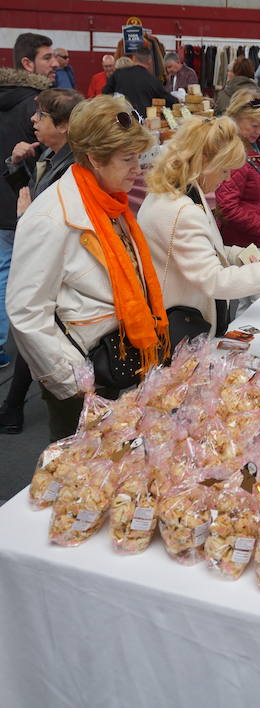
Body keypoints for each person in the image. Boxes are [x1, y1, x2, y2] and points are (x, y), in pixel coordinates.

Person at [6, 95, 168, 441]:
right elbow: (26, 311)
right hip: (84, 377)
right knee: (79, 477)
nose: (138, 169)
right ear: (94, 158)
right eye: (128, 160)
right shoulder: (51, 217)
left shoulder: (111, 203)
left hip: (118, 364)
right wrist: (74, 383)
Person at [137, 116, 260, 337]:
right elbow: (214, 281)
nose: (227, 177)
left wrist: (237, 254)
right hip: (178, 321)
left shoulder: (179, 192)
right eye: (223, 170)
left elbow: (201, 248)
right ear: (203, 162)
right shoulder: (182, 211)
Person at [0, 88, 84, 434]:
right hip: (50, 258)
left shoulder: (73, 166)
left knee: (41, 329)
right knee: (36, 328)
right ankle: (14, 405)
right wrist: (17, 165)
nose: (33, 121)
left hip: (60, 262)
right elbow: (30, 193)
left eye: (41, 117)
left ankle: (22, 406)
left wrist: (28, 217)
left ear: (64, 126)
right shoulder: (51, 153)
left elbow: (48, 213)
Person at [0, 32, 59, 369]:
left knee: (4, 268)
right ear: (27, 63)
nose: (55, 64)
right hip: (23, 199)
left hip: (9, 194)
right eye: (48, 58)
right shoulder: (37, 104)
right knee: (24, 277)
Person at [215, 89, 260, 254]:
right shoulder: (236, 155)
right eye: (254, 125)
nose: (258, 131)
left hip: (251, 241)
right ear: (236, 118)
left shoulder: (250, 146)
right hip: (245, 246)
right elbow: (227, 206)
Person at [103, 45, 176, 115]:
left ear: (134, 58)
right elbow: (170, 101)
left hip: (122, 120)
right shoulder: (153, 81)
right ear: (149, 61)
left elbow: (105, 93)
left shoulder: (118, 74)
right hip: (142, 123)